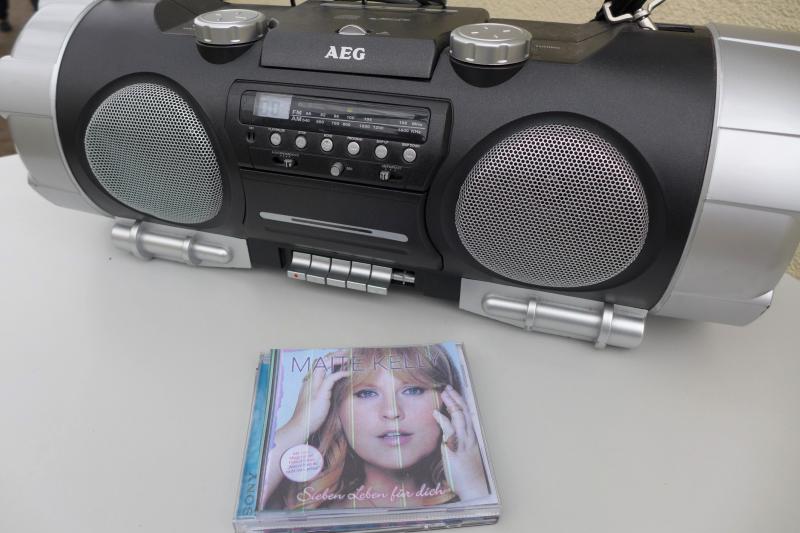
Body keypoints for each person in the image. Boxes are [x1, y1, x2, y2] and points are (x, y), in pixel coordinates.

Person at [259, 345, 490, 510]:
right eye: (366, 393)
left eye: (413, 390)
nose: (392, 411)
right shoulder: (297, 503)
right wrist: (300, 424)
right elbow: (249, 505)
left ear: (449, 403)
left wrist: (474, 486)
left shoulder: (474, 490)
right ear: (337, 412)